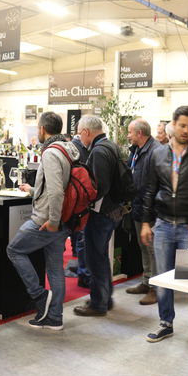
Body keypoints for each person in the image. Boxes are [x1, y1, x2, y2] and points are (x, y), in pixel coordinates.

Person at [141, 106, 188, 342]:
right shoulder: (157, 154)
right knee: (163, 279)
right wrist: (145, 222)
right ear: (173, 124)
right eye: (183, 125)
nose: (186, 130)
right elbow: (150, 190)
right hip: (163, 224)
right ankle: (166, 323)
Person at [7, 112, 78, 330]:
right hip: (64, 218)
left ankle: (39, 295)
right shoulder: (67, 149)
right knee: (55, 268)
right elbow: (57, 186)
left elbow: (56, 191)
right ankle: (54, 317)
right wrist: (33, 190)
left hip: (47, 220)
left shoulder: (51, 152)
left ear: (42, 129)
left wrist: (53, 221)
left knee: (14, 250)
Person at [73, 115, 124, 317]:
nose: (80, 138)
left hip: (102, 213)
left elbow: (99, 187)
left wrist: (84, 201)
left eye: (80, 133)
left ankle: (98, 304)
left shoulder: (99, 151)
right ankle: (104, 298)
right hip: (114, 210)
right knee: (100, 257)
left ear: (86, 132)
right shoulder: (111, 146)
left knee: (95, 258)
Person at [125, 119, 159, 305]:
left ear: (139, 133)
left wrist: (148, 212)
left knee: (152, 249)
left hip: (151, 210)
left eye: (130, 132)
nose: (128, 135)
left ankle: (156, 288)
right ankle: (147, 281)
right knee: (143, 245)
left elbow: (154, 186)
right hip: (138, 206)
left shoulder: (155, 151)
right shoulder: (136, 150)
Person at [70, 133, 91, 289]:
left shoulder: (89, 148)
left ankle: (84, 274)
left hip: (82, 203)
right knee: (82, 239)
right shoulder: (78, 147)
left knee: (82, 239)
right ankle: (84, 274)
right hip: (83, 203)